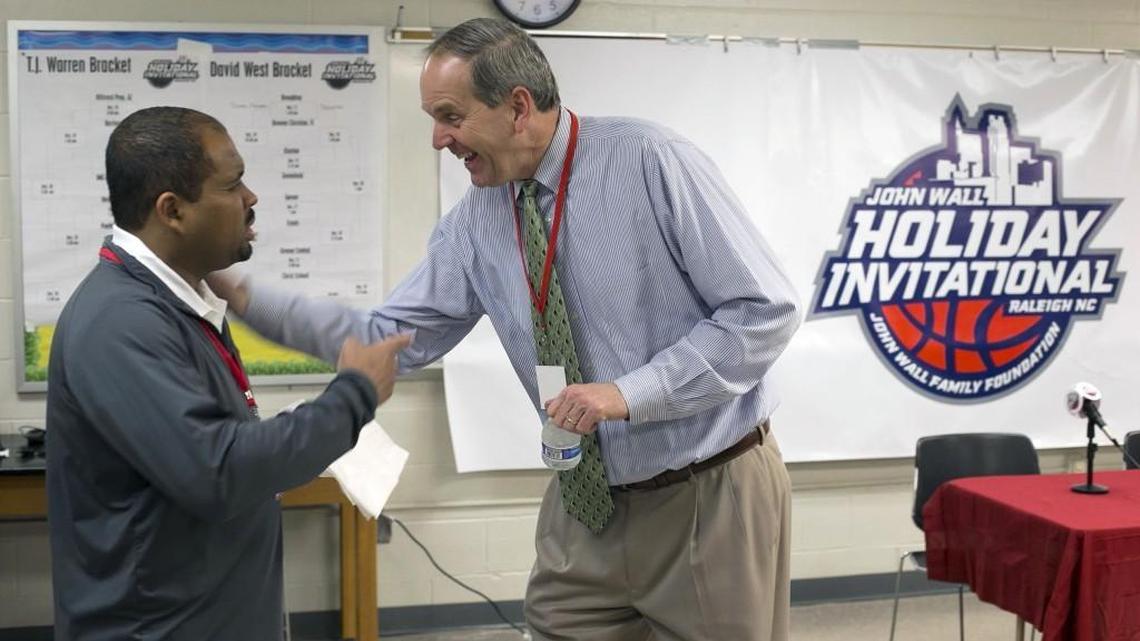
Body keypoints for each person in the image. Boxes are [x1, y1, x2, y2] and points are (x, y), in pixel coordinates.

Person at [214, 17, 801, 641]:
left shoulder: (652, 161)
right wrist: (243, 295)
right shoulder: (477, 221)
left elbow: (763, 311)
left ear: (517, 107)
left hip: (705, 491)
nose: (439, 139)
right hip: (584, 502)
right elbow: (385, 335)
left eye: (450, 115)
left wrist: (629, 393)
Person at [45, 106, 411, 641]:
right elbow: (219, 473)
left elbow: (214, 446)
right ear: (172, 210)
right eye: (232, 184)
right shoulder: (121, 321)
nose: (251, 198)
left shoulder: (178, 301)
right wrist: (354, 393)